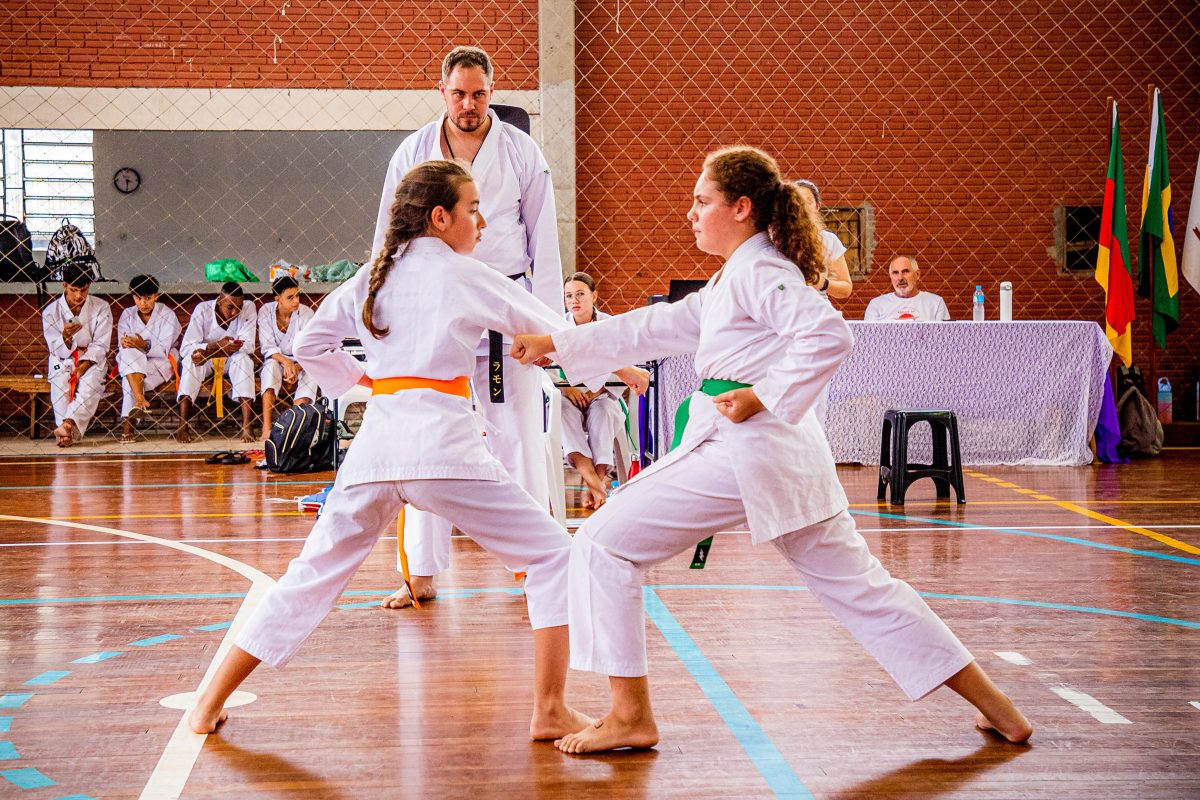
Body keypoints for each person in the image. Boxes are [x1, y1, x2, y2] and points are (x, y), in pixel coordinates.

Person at [512, 146, 1032, 754]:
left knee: (602, 543)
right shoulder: (737, 274)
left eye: (702, 202)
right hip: (782, 461)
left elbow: (828, 334)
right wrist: (558, 341)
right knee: (865, 589)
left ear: (741, 207)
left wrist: (762, 394)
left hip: (743, 452)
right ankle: (1000, 709)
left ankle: (630, 714)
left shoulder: (759, 271)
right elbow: (650, 328)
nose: (691, 213)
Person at [187, 160, 641, 741]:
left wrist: (368, 382)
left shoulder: (372, 276)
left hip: (374, 453)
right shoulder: (466, 274)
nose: (481, 221)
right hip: (445, 453)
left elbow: (308, 343)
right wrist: (618, 363)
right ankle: (549, 708)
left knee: (309, 575)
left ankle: (207, 701)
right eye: (473, 208)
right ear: (440, 216)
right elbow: (561, 333)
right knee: (554, 556)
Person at [371, 45, 565, 610]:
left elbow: (544, 242)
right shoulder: (412, 152)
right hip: (432, 305)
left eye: (479, 93)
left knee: (519, 437)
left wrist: (549, 328)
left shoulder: (522, 151)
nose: (469, 104)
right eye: (459, 93)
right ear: (443, 92)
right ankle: (421, 574)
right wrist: (385, 305)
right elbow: (388, 232)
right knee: (427, 434)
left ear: (491, 93)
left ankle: (534, 564)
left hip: (504, 304)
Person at [555, 272, 630, 509]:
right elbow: (545, 367)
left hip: (604, 394)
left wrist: (596, 390)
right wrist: (567, 389)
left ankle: (594, 483)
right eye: (569, 296)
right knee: (563, 412)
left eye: (580, 294)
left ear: (594, 296)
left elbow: (626, 364)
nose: (574, 300)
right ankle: (597, 486)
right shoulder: (556, 325)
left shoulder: (610, 325)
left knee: (603, 411)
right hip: (568, 396)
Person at [175, 281, 257, 443]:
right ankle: (182, 426)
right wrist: (214, 347)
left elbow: (249, 345)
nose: (235, 311)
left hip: (232, 358)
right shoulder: (202, 309)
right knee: (191, 363)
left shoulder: (248, 307)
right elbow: (186, 348)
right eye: (230, 307)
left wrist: (225, 348)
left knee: (244, 361)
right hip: (206, 360)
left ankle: (247, 425)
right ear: (219, 301)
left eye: (238, 307)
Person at [41, 262, 112, 447]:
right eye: (73, 290)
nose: (79, 295)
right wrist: (65, 336)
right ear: (64, 285)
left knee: (90, 387)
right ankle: (66, 431)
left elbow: (101, 344)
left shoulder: (101, 307)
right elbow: (54, 347)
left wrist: (84, 365)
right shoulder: (51, 312)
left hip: (91, 359)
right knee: (60, 387)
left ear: (89, 286)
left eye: (84, 289)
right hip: (62, 358)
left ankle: (68, 425)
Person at [116, 275, 181, 442]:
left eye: (148, 298)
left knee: (129, 380)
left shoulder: (167, 314)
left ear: (156, 296)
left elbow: (163, 348)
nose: (143, 303)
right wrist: (129, 344)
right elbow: (122, 346)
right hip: (133, 362)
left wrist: (142, 344)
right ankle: (139, 400)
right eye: (138, 298)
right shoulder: (127, 315)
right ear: (133, 297)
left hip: (160, 363)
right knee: (128, 354)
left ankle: (128, 426)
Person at [258, 274, 317, 437]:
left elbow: (310, 348)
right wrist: (286, 363)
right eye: (290, 297)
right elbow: (267, 346)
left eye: (297, 295)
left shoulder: (307, 313)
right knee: (269, 369)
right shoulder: (265, 312)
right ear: (278, 299)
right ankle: (267, 428)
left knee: (312, 374)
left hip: (302, 360)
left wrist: (296, 367)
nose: (296, 300)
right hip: (277, 359)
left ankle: (296, 425)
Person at [794, 179, 853, 301]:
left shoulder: (828, 240)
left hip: (818, 310)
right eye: (798, 201)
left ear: (817, 206)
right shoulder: (775, 239)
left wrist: (822, 283)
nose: (803, 206)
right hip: (784, 311)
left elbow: (846, 289)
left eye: (808, 201)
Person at [863, 255, 950, 321]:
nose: (900, 278)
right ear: (890, 277)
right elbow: (869, 341)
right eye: (895, 273)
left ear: (917, 275)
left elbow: (945, 339)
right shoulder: (876, 305)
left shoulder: (936, 303)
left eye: (905, 271)